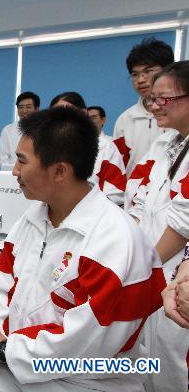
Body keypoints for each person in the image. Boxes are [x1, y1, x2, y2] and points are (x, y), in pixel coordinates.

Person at [0, 107, 165, 392]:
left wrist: (3, 351)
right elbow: (0, 289)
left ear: (60, 171)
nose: (14, 171)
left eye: (22, 162)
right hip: (17, 359)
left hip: (86, 379)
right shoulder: (34, 218)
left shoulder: (116, 242)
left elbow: (86, 345)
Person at [127, 61, 189, 392]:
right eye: (153, 99)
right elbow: (138, 201)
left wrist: (145, 265)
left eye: (163, 99)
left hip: (175, 271)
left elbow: (183, 223)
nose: (153, 106)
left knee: (174, 365)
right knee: (147, 360)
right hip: (152, 263)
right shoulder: (163, 144)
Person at [51, 92, 126, 206]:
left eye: (68, 112)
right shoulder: (45, 148)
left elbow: (115, 193)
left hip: (93, 218)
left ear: (84, 114)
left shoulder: (105, 147)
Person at [113, 38, 174, 175]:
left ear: (168, 70)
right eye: (135, 75)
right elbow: (119, 166)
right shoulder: (125, 120)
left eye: (148, 71)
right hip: (134, 193)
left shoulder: (180, 113)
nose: (141, 79)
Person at [0, 92, 40, 171]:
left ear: (37, 109)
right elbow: (3, 160)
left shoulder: (45, 129)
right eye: (21, 107)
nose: (24, 111)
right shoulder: (7, 130)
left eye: (28, 107)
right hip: (12, 175)